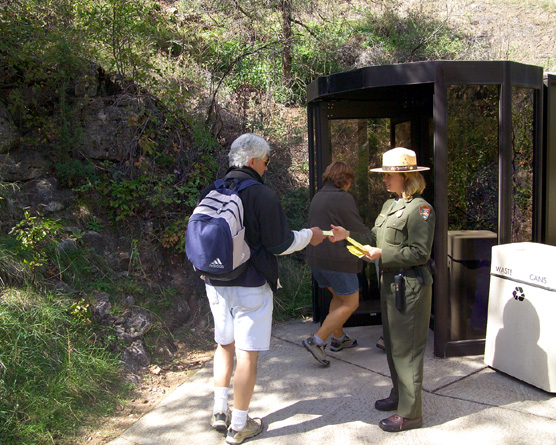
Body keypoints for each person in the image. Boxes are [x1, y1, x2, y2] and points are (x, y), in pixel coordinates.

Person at [195, 133, 326, 444]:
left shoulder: (211, 189)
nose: (267, 168)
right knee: (247, 355)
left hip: (214, 282)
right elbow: (280, 244)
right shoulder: (261, 195)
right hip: (250, 285)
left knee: (223, 345)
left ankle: (218, 411)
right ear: (253, 161)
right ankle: (240, 425)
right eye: (266, 163)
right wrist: (312, 235)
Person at [331, 147, 435, 433]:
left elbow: (420, 252)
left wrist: (382, 255)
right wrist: (348, 236)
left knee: (408, 350)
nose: (385, 180)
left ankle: (411, 414)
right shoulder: (391, 206)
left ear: (407, 177)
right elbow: (375, 238)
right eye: (385, 174)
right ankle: (401, 396)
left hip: (410, 285)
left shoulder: (421, 210)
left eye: (389, 175)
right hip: (391, 284)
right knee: (393, 346)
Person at [303, 161, 370, 366]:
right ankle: (317, 341)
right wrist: (371, 236)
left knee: (339, 298)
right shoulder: (343, 198)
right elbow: (356, 227)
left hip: (317, 260)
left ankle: (339, 339)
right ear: (345, 180)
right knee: (351, 303)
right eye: (350, 181)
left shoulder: (318, 195)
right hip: (337, 262)